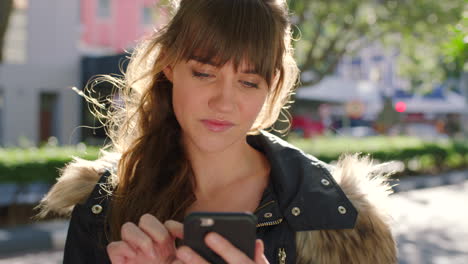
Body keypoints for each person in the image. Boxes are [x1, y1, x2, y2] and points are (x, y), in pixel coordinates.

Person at [37, 0, 397, 263]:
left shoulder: (339, 219)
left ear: (272, 86)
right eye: (204, 74)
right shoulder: (102, 201)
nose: (224, 103)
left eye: (248, 82)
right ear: (169, 66)